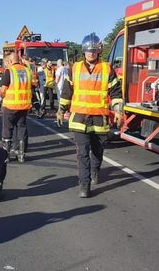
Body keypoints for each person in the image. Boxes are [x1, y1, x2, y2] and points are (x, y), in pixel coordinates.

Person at [57, 33, 123, 198]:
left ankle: (95, 171)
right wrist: (61, 109)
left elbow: (116, 93)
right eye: (88, 50)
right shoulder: (75, 68)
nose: (91, 53)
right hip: (79, 118)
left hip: (99, 118)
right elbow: (67, 92)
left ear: (99, 51)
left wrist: (119, 110)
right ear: (84, 51)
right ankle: (84, 185)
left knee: (97, 150)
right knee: (82, 152)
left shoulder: (107, 69)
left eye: (94, 50)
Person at [0, 52, 32, 162]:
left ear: (9, 61)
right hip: (24, 105)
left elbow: (3, 89)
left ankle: (6, 154)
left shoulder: (9, 71)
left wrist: (1, 96)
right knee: (21, 128)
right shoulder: (27, 70)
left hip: (10, 105)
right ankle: (21, 154)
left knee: (7, 129)